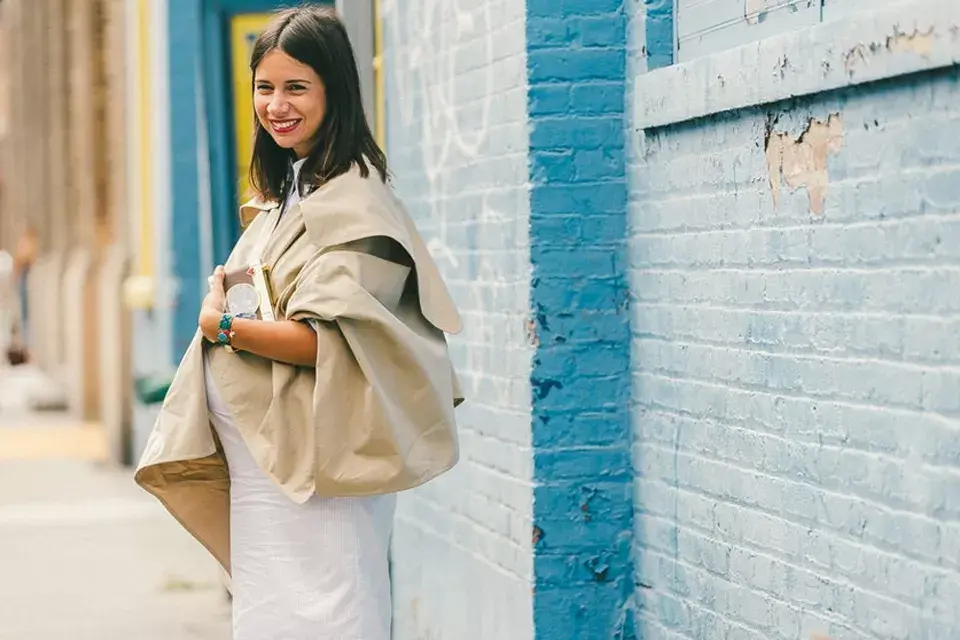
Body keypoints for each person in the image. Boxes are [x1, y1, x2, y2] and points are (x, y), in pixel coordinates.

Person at [134, 6, 463, 639]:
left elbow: (325, 342)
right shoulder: (298, 186)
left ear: (333, 89)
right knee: (274, 617)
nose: (276, 104)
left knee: (332, 614)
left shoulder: (353, 197)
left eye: (296, 87)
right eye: (265, 86)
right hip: (273, 465)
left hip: (321, 469)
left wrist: (221, 329)